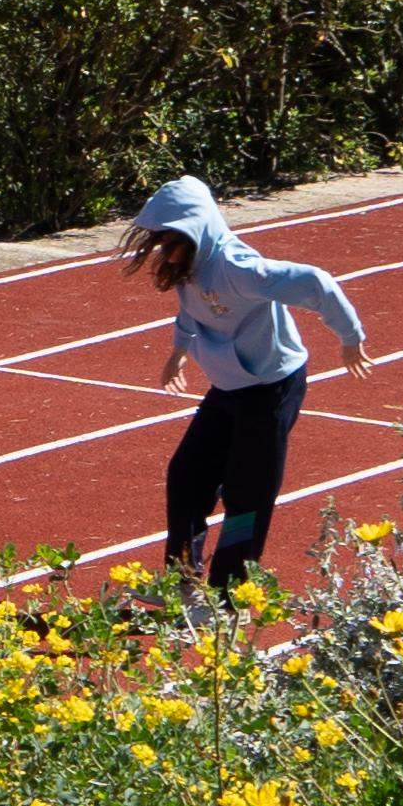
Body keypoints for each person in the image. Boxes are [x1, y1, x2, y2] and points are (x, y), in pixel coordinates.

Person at [123, 178, 370, 593]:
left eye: (170, 239)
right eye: (160, 240)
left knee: (247, 495)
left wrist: (351, 336)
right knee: (186, 475)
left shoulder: (239, 268)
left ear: (196, 229)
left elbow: (315, 283)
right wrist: (178, 351)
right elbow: (192, 312)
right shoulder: (190, 265)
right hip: (228, 387)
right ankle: (182, 581)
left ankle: (226, 595)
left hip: (271, 387)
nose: (164, 250)